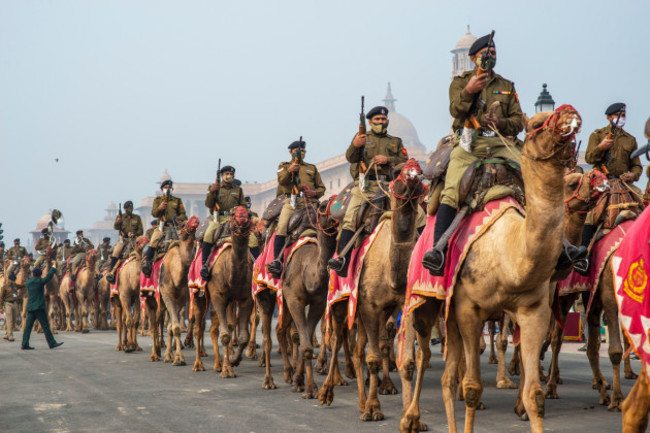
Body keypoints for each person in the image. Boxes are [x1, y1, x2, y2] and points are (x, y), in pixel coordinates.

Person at [421, 33, 526, 276]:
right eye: (485, 54)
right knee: (452, 186)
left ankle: (560, 247)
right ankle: (438, 250)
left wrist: (498, 122)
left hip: (500, 143)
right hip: (470, 143)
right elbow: (455, 110)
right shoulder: (460, 83)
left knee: (532, 173)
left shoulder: (506, 86)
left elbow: (517, 122)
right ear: (472, 58)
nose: (491, 57)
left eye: (494, 53)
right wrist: (469, 90)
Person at [328, 106, 409, 277]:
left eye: (383, 119)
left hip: (389, 186)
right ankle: (342, 258)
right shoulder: (363, 138)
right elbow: (350, 158)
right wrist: (355, 145)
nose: (381, 122)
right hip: (366, 187)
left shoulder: (395, 141)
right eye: (377, 120)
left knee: (418, 215)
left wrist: (388, 160)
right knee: (351, 217)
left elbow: (404, 161)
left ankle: (421, 252)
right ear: (370, 122)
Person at [578, 103, 643, 274]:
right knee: (592, 213)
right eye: (616, 115)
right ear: (608, 117)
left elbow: (637, 166)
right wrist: (601, 147)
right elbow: (589, 157)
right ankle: (583, 257)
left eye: (622, 115)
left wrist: (633, 175)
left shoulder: (630, 139)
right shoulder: (597, 135)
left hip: (624, 183)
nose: (620, 118)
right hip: (602, 181)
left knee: (644, 204)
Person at [267, 139, 326, 278]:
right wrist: (290, 170)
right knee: (282, 226)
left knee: (327, 225)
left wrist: (314, 193)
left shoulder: (311, 168)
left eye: (303, 151)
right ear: (290, 152)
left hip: (310, 202)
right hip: (291, 202)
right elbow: (282, 180)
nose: (301, 153)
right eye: (298, 151)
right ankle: (277, 261)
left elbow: (321, 188)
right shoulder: (283, 165)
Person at [200, 165, 247, 280]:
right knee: (208, 235)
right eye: (226, 174)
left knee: (252, 237)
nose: (229, 176)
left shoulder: (238, 190)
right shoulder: (214, 188)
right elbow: (208, 204)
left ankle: (255, 264)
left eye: (231, 174)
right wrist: (212, 192)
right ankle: (205, 265)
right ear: (222, 176)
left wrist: (240, 211)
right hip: (218, 218)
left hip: (234, 219)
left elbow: (244, 205)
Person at [143, 179, 187, 276]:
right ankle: (148, 264)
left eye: (169, 188)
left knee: (186, 241)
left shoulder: (177, 200)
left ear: (172, 189)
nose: (168, 189)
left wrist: (177, 218)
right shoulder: (157, 200)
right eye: (166, 188)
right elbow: (154, 213)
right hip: (162, 227)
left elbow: (183, 215)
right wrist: (160, 208)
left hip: (175, 227)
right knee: (153, 241)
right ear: (162, 189)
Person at [21, 263, 63, 350]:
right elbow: (48, 277)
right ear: (39, 275)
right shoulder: (40, 282)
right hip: (39, 308)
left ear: (33, 274)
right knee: (46, 326)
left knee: (28, 327)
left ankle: (24, 344)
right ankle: (52, 343)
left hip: (31, 308)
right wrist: (53, 268)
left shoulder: (28, 282)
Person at [105, 201, 143, 283]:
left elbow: (141, 230)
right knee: (116, 253)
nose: (130, 209)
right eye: (129, 208)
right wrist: (117, 222)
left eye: (131, 208)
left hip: (134, 239)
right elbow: (116, 227)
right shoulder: (120, 217)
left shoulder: (137, 218)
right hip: (123, 239)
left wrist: (134, 234)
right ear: (125, 209)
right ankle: (112, 274)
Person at [1, 274, 19, 341]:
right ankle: (10, 336)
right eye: (12, 280)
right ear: (9, 279)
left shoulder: (14, 285)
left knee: (14, 320)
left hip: (14, 303)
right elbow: (1, 297)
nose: (13, 281)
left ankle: (6, 334)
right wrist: (1, 307)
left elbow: (20, 286)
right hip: (7, 303)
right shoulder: (4, 287)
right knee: (9, 320)